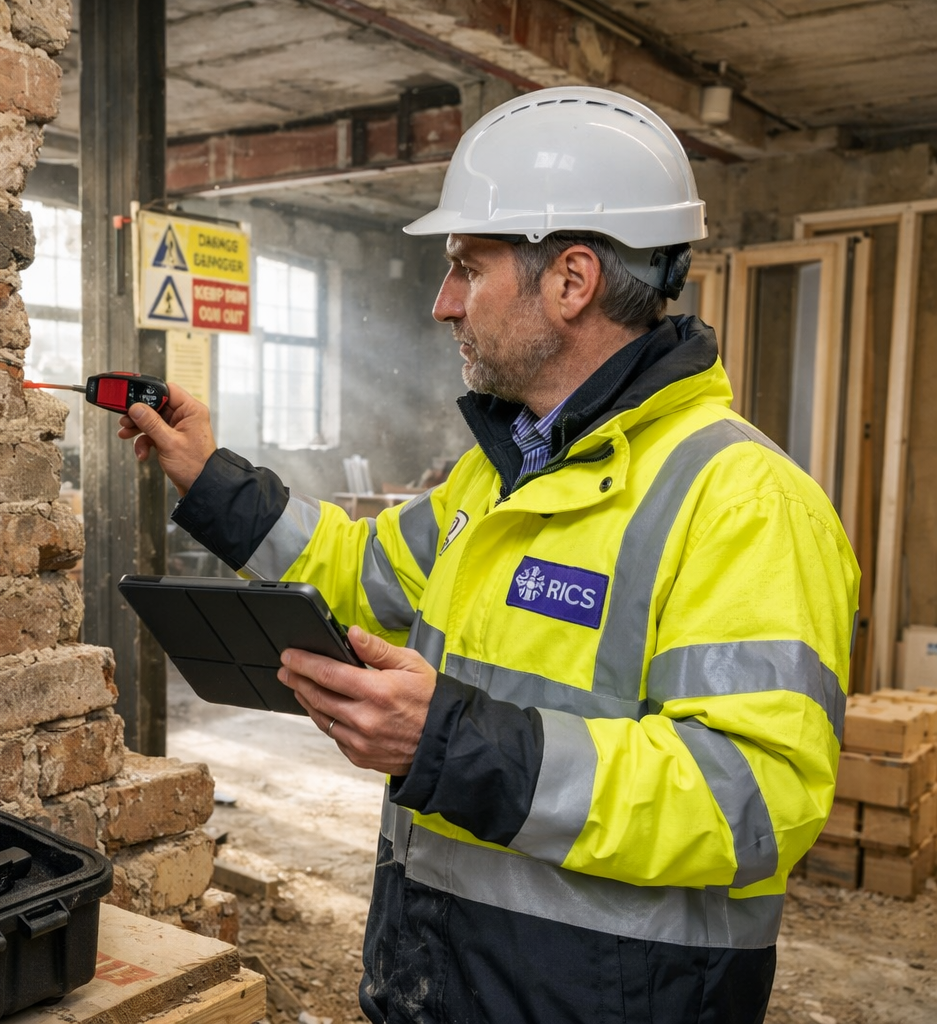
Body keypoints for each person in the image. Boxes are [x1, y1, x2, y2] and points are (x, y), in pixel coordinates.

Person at [118, 85, 858, 1024]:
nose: (442, 303)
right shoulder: (498, 479)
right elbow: (358, 570)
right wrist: (207, 477)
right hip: (443, 975)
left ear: (572, 280)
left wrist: (448, 742)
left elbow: (755, 800)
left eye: (466, 267)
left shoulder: (748, 503)